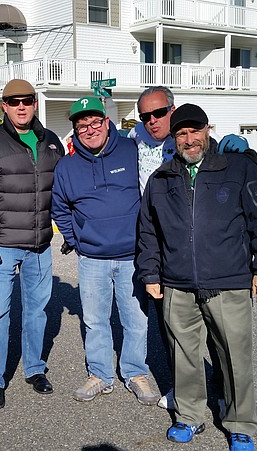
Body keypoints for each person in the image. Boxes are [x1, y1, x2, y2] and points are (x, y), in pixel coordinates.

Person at [136, 104, 257, 451]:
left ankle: (239, 423)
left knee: (235, 356)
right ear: (174, 138)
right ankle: (189, 417)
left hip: (229, 282)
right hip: (177, 284)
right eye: (182, 133)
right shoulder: (162, 178)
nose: (190, 140)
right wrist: (150, 272)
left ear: (208, 129)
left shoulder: (239, 168)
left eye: (195, 131)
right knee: (182, 355)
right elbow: (148, 231)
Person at [0, 79, 64, 409]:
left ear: (35, 103)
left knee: (36, 311)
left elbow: (64, 190)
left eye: (27, 100)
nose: (21, 106)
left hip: (40, 244)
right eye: (13, 101)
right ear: (3, 106)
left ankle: (34, 369)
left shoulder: (51, 142)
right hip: (3, 244)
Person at [51, 96, 159, 405]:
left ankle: (136, 373)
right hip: (92, 260)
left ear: (107, 122)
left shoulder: (132, 150)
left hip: (132, 257)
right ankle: (100, 374)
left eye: (95, 122)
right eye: (82, 125)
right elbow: (60, 209)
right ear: (75, 130)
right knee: (95, 321)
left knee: (136, 320)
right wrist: (78, 240)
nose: (90, 129)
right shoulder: (67, 166)